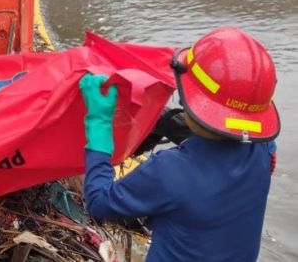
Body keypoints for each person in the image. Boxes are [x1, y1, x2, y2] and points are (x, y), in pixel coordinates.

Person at [79, 27, 279, 261]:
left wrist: (99, 125)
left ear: (186, 95)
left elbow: (99, 203)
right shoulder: (264, 149)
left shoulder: (168, 170)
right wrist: (171, 124)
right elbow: (227, 150)